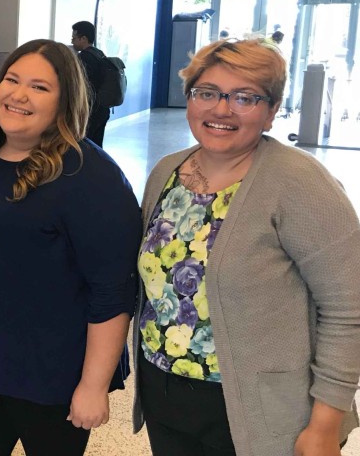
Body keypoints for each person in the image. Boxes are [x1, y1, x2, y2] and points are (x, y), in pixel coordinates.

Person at [132, 38, 360, 456]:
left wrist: (326, 423)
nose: (222, 109)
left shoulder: (300, 184)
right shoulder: (167, 171)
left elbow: (349, 308)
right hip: (165, 391)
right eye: (207, 93)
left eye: (245, 97)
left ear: (271, 112)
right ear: (190, 99)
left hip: (263, 409)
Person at [0, 39, 142, 455]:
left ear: (65, 100)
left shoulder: (91, 177)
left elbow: (113, 291)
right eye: (12, 80)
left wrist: (93, 385)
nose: (18, 95)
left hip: (52, 373)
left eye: (39, 87)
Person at [71, 21, 111, 147]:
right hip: (103, 108)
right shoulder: (99, 53)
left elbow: (81, 84)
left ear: (83, 39)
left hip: (90, 110)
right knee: (97, 146)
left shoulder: (85, 57)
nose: (72, 42)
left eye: (74, 38)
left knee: (85, 146)